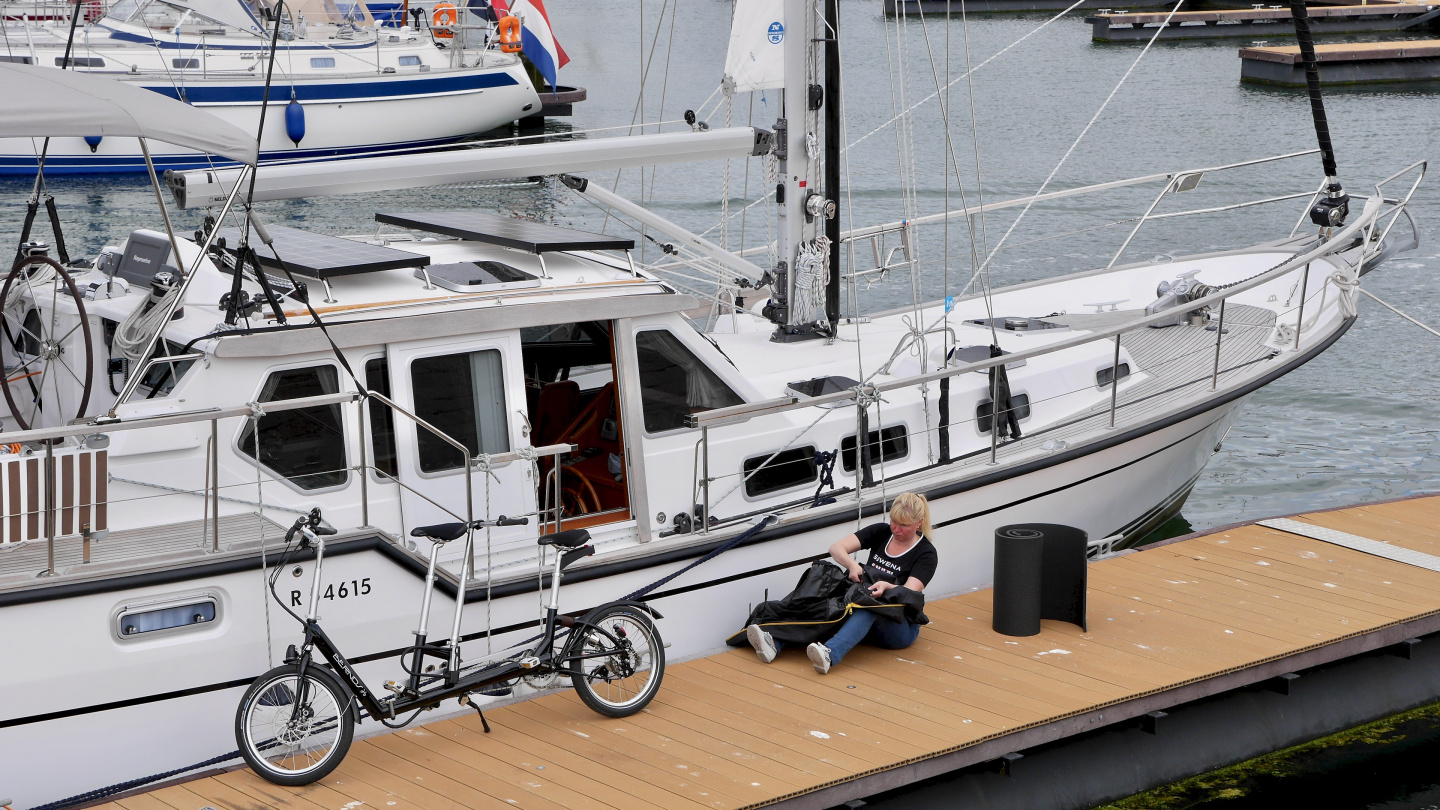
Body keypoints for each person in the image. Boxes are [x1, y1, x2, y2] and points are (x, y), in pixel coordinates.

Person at [745, 491, 937, 674]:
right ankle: (775, 644)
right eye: (894, 521)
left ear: (919, 523)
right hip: (864, 604)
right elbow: (836, 548)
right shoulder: (881, 531)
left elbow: (910, 591)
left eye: (903, 525)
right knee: (830, 605)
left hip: (899, 626)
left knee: (869, 607)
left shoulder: (926, 553)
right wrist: (852, 565)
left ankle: (830, 654)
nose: (896, 529)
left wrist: (887, 586)